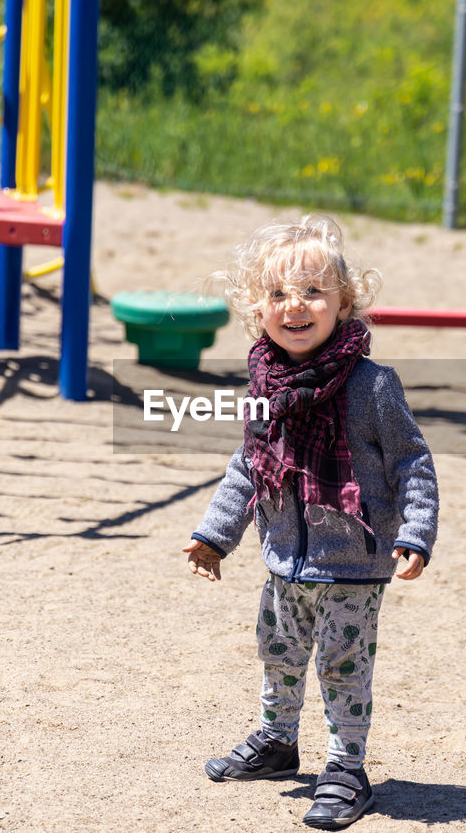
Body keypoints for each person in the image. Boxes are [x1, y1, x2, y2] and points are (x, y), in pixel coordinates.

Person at [183, 214, 438, 830]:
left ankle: (347, 769)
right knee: (278, 651)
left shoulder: (372, 387)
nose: (294, 306)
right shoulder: (264, 384)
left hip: (351, 563)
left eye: (313, 292)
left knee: (342, 665)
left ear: (344, 303)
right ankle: (277, 742)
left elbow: (413, 461)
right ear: (257, 309)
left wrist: (415, 532)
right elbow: (249, 465)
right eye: (277, 294)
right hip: (284, 559)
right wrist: (216, 535)